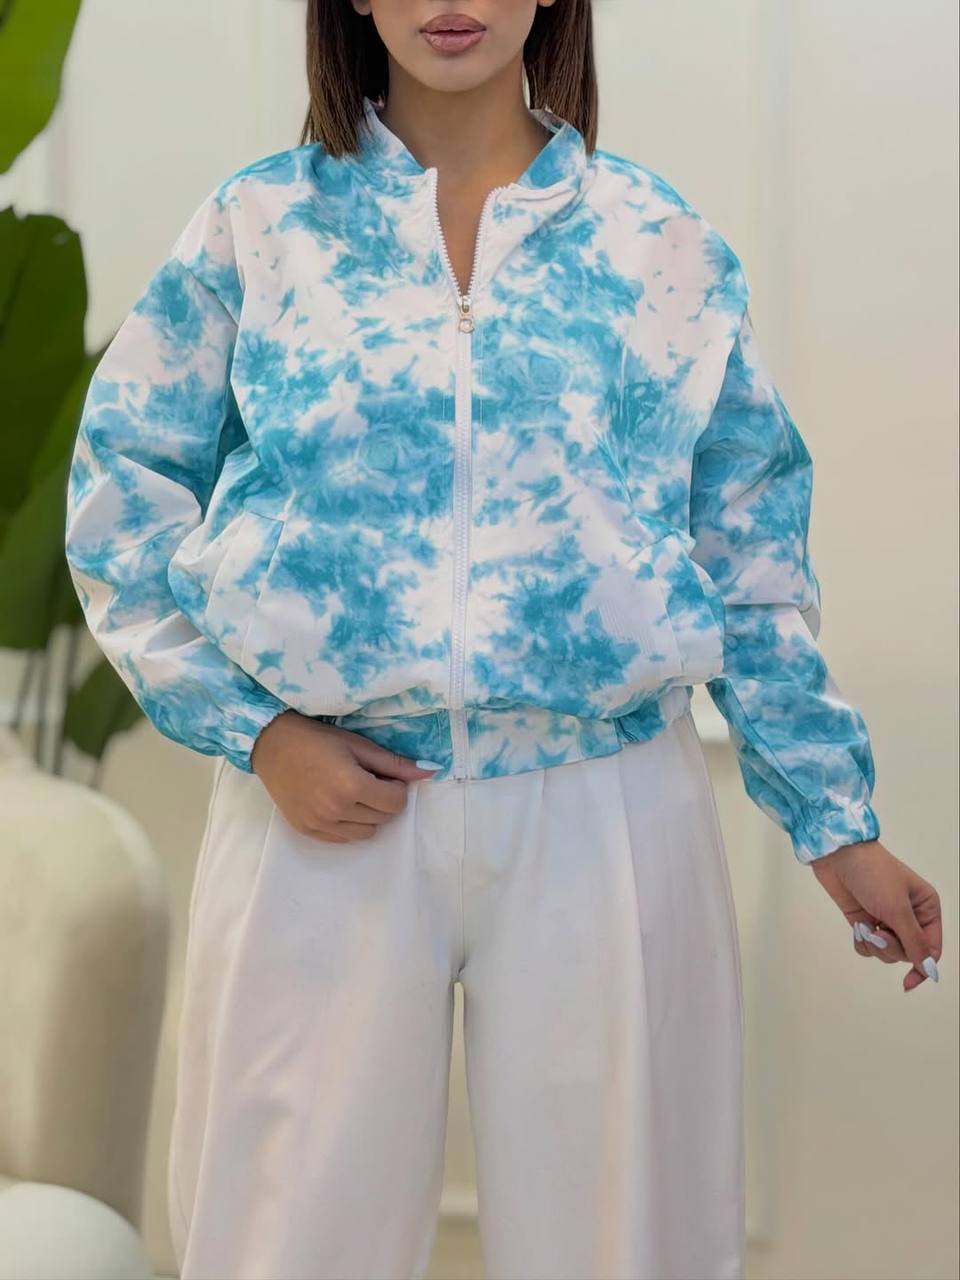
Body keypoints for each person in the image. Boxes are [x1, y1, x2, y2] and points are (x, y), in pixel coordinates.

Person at [63, 1, 943, 1278]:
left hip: (605, 804)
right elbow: (119, 506)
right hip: (322, 804)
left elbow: (749, 559)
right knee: (282, 1243)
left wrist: (834, 818)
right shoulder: (258, 229)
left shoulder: (656, 245)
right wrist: (257, 731)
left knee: (626, 1243)